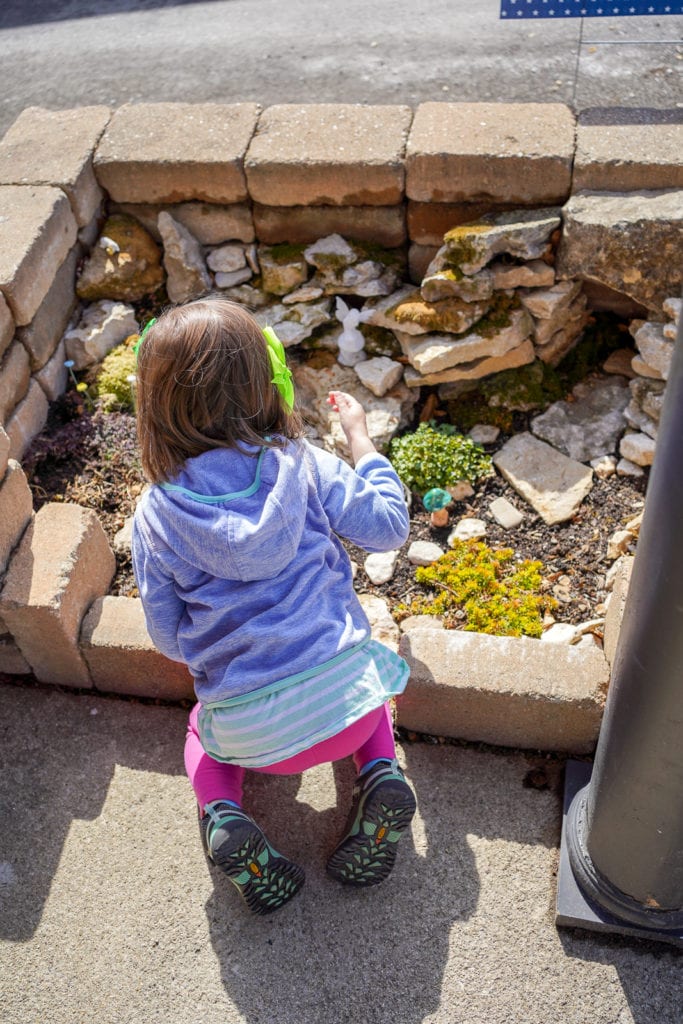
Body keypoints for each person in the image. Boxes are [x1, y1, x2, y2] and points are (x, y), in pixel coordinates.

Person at [131, 296, 416, 916]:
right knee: (366, 675)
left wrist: (214, 659)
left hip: (249, 734)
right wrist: (360, 442)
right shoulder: (304, 464)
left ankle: (225, 814)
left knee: (201, 735)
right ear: (267, 381)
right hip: (349, 711)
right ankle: (382, 775)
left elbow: (166, 635)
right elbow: (389, 527)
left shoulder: (154, 516)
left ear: (152, 408)